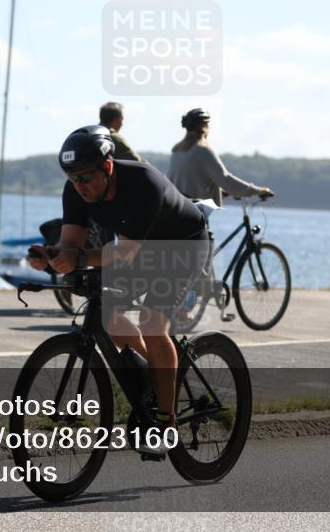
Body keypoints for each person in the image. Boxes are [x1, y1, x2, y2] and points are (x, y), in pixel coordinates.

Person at [27, 125, 210, 454]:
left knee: (154, 325)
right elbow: (71, 243)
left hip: (181, 247)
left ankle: (166, 424)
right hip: (140, 247)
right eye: (73, 178)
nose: (80, 186)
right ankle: (155, 382)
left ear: (107, 167)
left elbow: (123, 254)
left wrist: (78, 257)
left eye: (86, 177)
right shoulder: (76, 190)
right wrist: (52, 256)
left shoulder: (142, 183)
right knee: (114, 320)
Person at [166, 108, 273, 206]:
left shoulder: (177, 150)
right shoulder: (203, 150)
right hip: (195, 212)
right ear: (206, 127)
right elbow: (225, 179)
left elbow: (187, 182)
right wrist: (257, 190)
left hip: (177, 210)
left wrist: (219, 192)